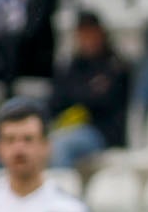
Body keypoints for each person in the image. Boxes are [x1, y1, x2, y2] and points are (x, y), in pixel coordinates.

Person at [48, 11, 130, 168]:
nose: (87, 40)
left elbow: (102, 101)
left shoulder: (115, 65)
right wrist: (86, 92)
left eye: (91, 33)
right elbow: (55, 102)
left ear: (101, 33)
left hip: (102, 132)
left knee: (61, 147)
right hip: (68, 127)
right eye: (82, 35)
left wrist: (78, 95)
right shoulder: (72, 66)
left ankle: (63, 191)